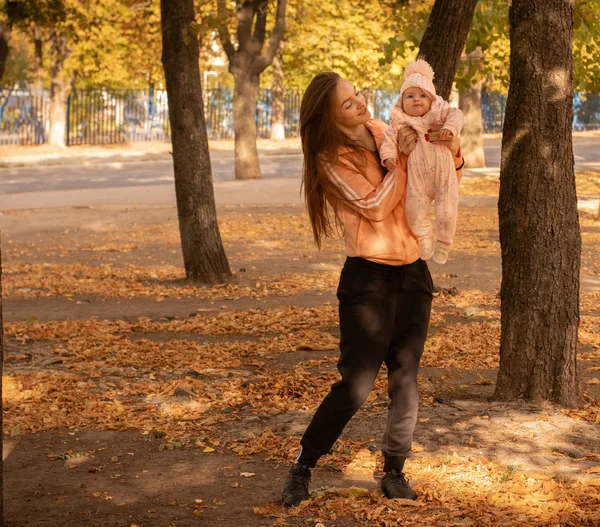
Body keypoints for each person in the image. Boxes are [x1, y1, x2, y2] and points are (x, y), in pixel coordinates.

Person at [281, 71, 464, 508]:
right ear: (328, 117)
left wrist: (450, 150)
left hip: (414, 274)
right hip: (369, 279)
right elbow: (375, 206)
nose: (361, 104)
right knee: (356, 385)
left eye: (358, 95)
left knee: (405, 379)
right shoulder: (329, 157)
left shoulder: (384, 128)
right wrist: (404, 161)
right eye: (348, 103)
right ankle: (303, 465)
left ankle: (395, 470)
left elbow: (443, 172)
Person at [380, 59, 464, 265]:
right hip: (417, 178)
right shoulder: (400, 122)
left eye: (422, 95)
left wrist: (451, 129)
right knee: (414, 210)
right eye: (409, 96)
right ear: (401, 102)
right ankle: (424, 237)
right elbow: (388, 140)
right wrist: (388, 157)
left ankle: (444, 242)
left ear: (431, 99)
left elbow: (457, 114)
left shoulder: (439, 114)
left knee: (447, 211)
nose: (416, 100)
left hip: (444, 174)